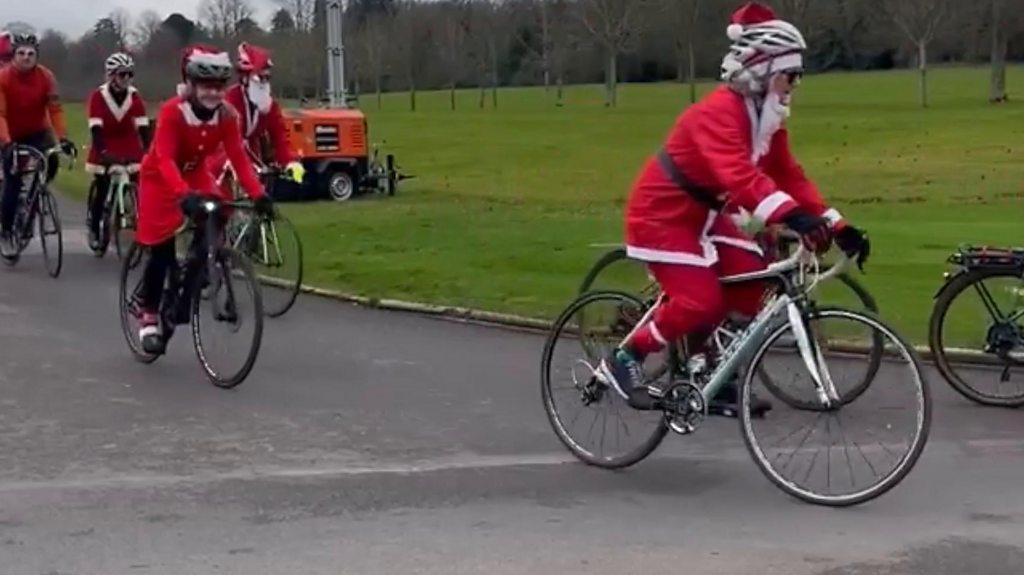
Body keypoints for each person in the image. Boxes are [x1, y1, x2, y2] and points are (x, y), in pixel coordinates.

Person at [599, 2, 871, 416]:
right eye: (790, 75)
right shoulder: (717, 113)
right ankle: (626, 359)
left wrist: (836, 224)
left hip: (704, 217)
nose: (795, 84)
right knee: (699, 301)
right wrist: (795, 218)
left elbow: (788, 174)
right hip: (661, 217)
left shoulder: (765, 117)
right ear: (762, 70)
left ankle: (710, 372)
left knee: (750, 274)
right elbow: (739, 178)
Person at [135, 45, 272, 355]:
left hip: (195, 173)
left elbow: (238, 157)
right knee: (160, 248)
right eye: (206, 86)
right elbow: (165, 158)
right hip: (160, 177)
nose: (212, 93)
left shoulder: (226, 115)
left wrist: (258, 194)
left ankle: (195, 276)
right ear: (192, 86)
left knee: (218, 212)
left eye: (218, 87)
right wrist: (183, 195)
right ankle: (149, 315)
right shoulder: (173, 111)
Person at [0, 31, 75, 251]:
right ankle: (6, 227)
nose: (26, 57)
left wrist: (63, 138)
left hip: (37, 131)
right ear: (13, 56)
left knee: (50, 161)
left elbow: (55, 110)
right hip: (10, 133)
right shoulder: (4, 78)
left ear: (37, 56)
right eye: (21, 53)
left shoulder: (46, 77)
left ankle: (34, 200)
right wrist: (6, 142)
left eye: (31, 53)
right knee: (13, 179)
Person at [211, 42, 304, 197]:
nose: (264, 83)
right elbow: (230, 141)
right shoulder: (230, 100)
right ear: (245, 78)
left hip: (251, 156)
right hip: (222, 155)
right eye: (260, 78)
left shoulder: (269, 105)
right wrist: (242, 165)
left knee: (259, 201)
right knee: (221, 204)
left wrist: (290, 161)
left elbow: (280, 136)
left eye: (267, 78)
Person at [85, 52, 151, 250]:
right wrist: (103, 152)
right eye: (122, 75)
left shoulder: (134, 96)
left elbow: (142, 127)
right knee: (103, 185)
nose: (126, 79)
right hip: (105, 141)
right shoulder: (98, 96)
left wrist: (148, 149)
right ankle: (96, 227)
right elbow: (96, 129)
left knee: (141, 182)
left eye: (129, 75)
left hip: (128, 142)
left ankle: (142, 225)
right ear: (111, 76)